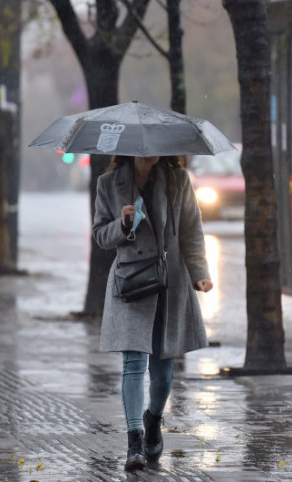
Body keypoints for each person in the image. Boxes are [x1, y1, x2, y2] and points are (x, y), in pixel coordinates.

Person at [92, 154, 213, 472]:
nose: (149, 151)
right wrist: (122, 224)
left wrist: (199, 272)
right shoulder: (109, 183)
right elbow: (101, 235)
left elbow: (191, 231)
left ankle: (153, 419)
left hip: (169, 282)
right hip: (131, 282)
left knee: (163, 372)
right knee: (133, 363)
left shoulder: (179, 181)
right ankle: (134, 441)